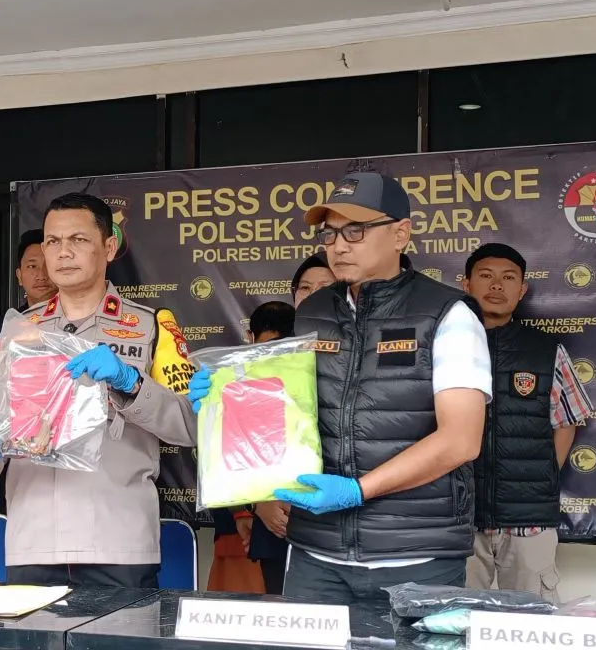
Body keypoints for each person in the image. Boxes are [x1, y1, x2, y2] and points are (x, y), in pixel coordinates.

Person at [189, 172, 490, 619]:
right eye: (330, 233)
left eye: (356, 230)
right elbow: (292, 413)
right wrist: (229, 401)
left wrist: (358, 490)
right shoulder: (314, 312)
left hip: (415, 556)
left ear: (401, 234)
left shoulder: (447, 314)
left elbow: (460, 440)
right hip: (316, 556)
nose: (339, 245)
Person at [0, 192, 196, 587]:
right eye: (53, 241)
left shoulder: (150, 326)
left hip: (117, 541)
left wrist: (131, 384)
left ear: (109, 247)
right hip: (32, 542)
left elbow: (191, 424)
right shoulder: (19, 331)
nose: (63, 252)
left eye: (78, 240)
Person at [461, 243, 591, 602]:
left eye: (508, 278)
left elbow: (567, 420)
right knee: (454, 619)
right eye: (485, 276)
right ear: (466, 284)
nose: (496, 285)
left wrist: (543, 476)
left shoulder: (545, 349)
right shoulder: (442, 345)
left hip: (528, 521)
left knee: (533, 620)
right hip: (459, 519)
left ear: (522, 290)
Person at [0, 229, 57, 514]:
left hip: (63, 451)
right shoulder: (3, 327)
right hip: (13, 454)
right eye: (32, 266)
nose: (41, 275)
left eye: (47, 266)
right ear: (19, 275)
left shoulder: (75, 323)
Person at [241, 300, 298, 595]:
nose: (274, 356)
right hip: (272, 526)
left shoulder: (319, 380)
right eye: (267, 348)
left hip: (323, 525)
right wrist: (257, 504)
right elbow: (232, 457)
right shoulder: (238, 386)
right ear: (250, 339)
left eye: (282, 347)